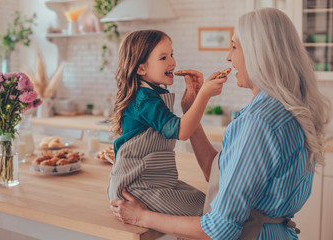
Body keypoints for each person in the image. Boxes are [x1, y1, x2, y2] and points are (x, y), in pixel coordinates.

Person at [110, 8, 332, 239]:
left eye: (234, 47)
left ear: (260, 54)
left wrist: (142, 217)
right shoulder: (282, 109)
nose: (228, 57)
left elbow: (219, 228)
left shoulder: (259, 123)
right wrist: (190, 109)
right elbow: (217, 173)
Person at [108, 30, 227, 216]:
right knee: (206, 211)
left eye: (172, 54)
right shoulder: (144, 99)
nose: (172, 62)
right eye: (163, 57)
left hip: (160, 181)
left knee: (208, 202)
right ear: (141, 69)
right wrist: (204, 95)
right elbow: (181, 131)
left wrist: (194, 100)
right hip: (137, 187)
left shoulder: (153, 94)